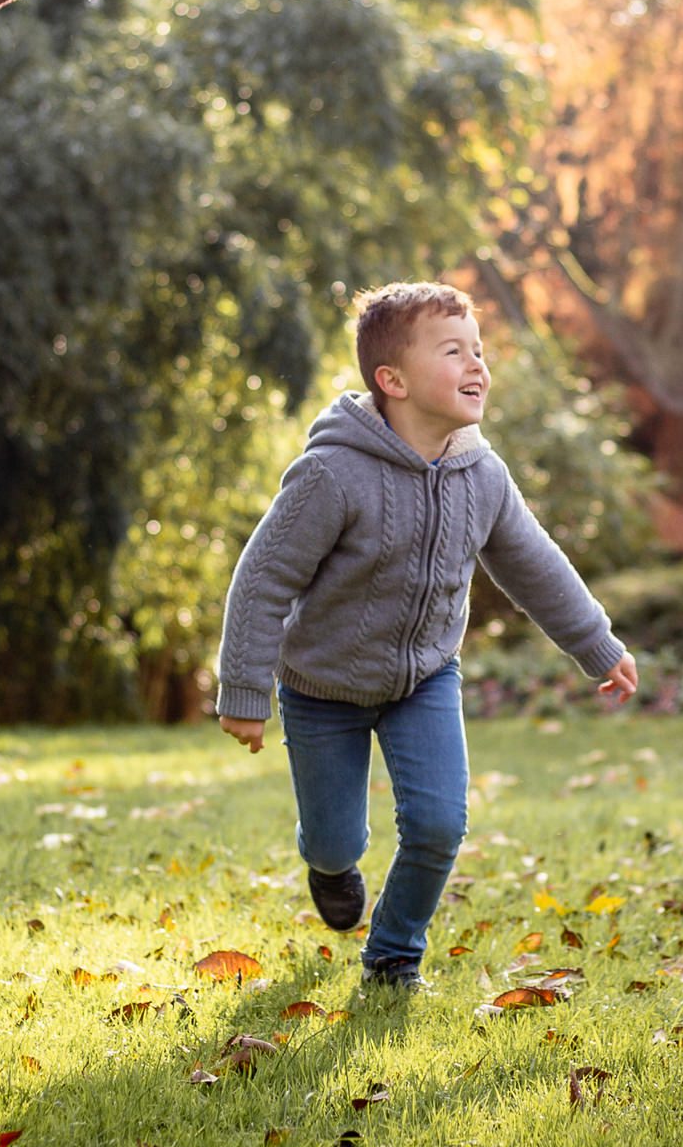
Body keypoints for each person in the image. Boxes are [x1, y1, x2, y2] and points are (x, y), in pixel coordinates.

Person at [214, 283, 639, 990]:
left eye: (479, 351)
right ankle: (329, 865)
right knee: (334, 839)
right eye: (454, 352)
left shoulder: (483, 474)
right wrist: (244, 690)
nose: (478, 366)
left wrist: (598, 644)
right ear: (394, 380)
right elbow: (264, 578)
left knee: (440, 825)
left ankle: (392, 955)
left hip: (424, 680)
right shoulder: (332, 473)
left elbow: (535, 567)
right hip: (322, 686)